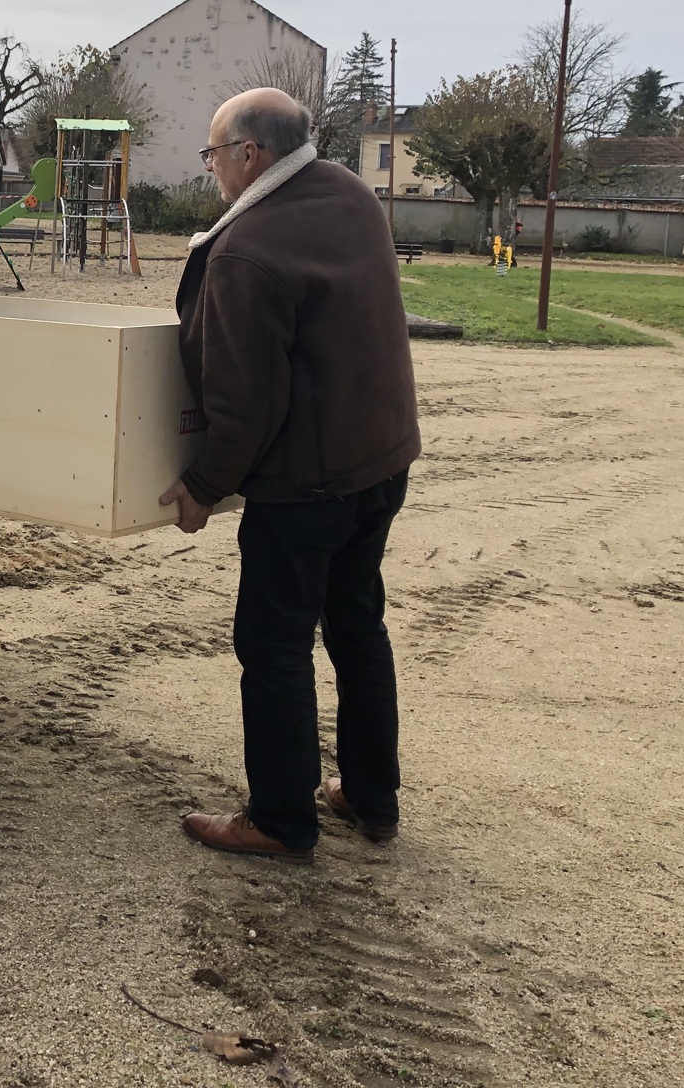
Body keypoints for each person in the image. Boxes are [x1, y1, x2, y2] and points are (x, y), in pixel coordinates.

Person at [162, 89, 420, 863]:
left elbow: (244, 402)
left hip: (305, 483)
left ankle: (279, 818)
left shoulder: (247, 249)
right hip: (380, 460)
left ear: (250, 155)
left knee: (273, 643)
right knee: (356, 625)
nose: (210, 168)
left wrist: (203, 485)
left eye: (212, 154)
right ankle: (371, 796)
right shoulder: (350, 193)